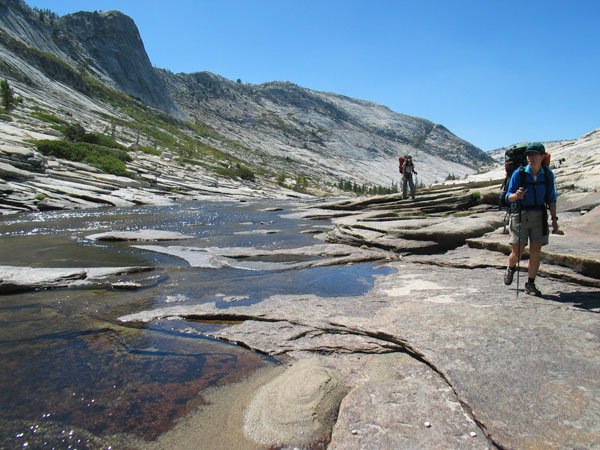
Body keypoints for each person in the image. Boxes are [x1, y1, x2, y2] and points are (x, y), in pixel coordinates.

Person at [503, 142, 558, 296]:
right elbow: (508, 197)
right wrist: (516, 196)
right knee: (518, 252)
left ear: (542, 156)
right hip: (520, 215)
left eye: (533, 154)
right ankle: (511, 267)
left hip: (539, 216)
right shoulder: (519, 174)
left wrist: (554, 219)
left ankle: (530, 283)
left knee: (535, 251)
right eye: (528, 155)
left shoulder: (547, 174)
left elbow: (552, 198)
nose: (530, 158)